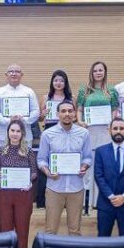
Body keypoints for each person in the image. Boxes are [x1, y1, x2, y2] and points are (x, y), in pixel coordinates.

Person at [37, 101, 92, 236]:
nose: (67, 114)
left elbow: (88, 157)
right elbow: (41, 159)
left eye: (70, 111)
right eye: (63, 111)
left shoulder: (84, 133)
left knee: (75, 231)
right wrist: (48, 172)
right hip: (54, 188)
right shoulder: (47, 134)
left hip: (76, 188)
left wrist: (84, 167)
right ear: (57, 114)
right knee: (50, 230)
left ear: (74, 114)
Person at [77, 61, 119, 206]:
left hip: (105, 132)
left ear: (105, 72)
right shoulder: (85, 90)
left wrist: (112, 124)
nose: (98, 73)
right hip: (89, 131)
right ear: (92, 73)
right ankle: (86, 202)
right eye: (95, 70)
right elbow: (79, 109)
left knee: (104, 166)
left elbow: (115, 110)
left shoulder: (112, 90)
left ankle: (100, 201)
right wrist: (80, 122)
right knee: (88, 166)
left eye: (101, 70)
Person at [94, 118, 124, 237]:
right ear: (109, 131)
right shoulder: (100, 151)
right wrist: (111, 196)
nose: (118, 131)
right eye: (115, 128)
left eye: (121, 128)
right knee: (103, 239)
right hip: (106, 203)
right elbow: (98, 176)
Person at [0, 120, 38, 248]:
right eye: (12, 130)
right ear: (8, 132)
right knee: (5, 232)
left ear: (22, 134)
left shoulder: (28, 152)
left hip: (23, 195)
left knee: (22, 232)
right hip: (4, 196)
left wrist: (29, 181)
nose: (15, 134)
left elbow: (34, 172)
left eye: (18, 131)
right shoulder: (0, 151)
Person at [36, 69, 73, 207]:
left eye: (61, 80)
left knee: (63, 162)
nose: (58, 83)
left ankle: (64, 199)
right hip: (49, 131)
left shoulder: (71, 98)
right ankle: (42, 200)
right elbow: (39, 118)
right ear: (52, 82)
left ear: (65, 83)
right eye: (56, 80)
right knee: (45, 162)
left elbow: (73, 118)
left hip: (66, 131)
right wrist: (43, 114)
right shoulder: (45, 98)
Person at [0, 63, 39, 148]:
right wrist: (8, 120)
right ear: (6, 75)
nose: (14, 74)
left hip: (25, 136)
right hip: (4, 136)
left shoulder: (29, 92)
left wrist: (24, 119)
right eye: (11, 71)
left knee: (25, 161)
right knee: (3, 161)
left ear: (21, 75)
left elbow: (36, 111)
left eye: (17, 71)